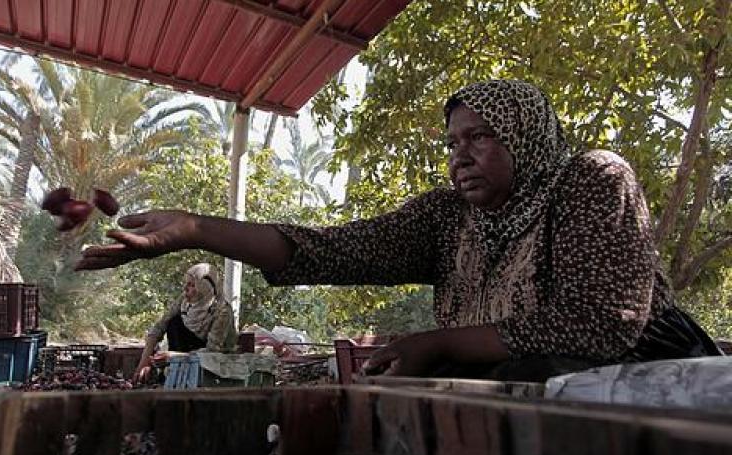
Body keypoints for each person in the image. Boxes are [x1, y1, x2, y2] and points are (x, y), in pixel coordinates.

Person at [78, 80, 721, 383]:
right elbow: (330, 249)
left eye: (480, 138)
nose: (460, 156)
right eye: (452, 143)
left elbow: (598, 326)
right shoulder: (447, 218)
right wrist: (193, 229)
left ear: (523, 135)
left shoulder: (589, 180)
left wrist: (438, 344)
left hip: (653, 397)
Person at [133, 263, 238, 383]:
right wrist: (143, 364)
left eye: (192, 285)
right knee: (174, 323)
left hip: (212, 362)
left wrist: (174, 357)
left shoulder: (222, 311)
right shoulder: (184, 301)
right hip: (184, 352)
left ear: (204, 288)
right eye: (186, 284)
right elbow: (159, 328)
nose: (185, 289)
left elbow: (212, 351)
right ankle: (172, 376)